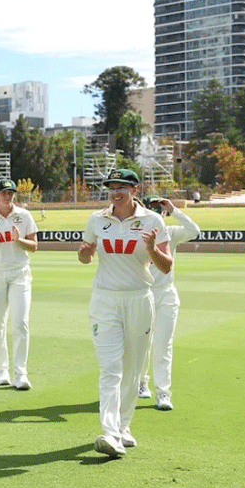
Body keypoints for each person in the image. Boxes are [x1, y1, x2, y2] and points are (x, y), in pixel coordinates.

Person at [77, 169, 172, 457]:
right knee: (110, 368)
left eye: (122, 187)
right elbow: (85, 257)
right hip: (105, 301)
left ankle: (123, 426)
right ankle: (110, 432)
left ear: (134, 189)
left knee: (132, 370)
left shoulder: (152, 221)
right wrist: (85, 253)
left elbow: (166, 266)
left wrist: (152, 249)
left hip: (139, 299)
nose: (116, 192)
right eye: (112, 187)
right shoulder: (97, 220)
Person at [0, 178, 38, 390]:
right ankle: (1, 370)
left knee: (21, 322)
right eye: (3, 193)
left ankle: (21, 373)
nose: (7, 196)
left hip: (20, 273)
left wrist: (19, 240)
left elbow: (34, 246)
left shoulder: (24, 216)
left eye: (10, 192)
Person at [139, 196, 200, 411]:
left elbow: (194, 231)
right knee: (142, 343)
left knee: (164, 344)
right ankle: (141, 382)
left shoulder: (171, 232)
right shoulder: (137, 232)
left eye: (159, 209)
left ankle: (163, 392)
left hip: (166, 294)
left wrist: (174, 209)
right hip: (142, 294)